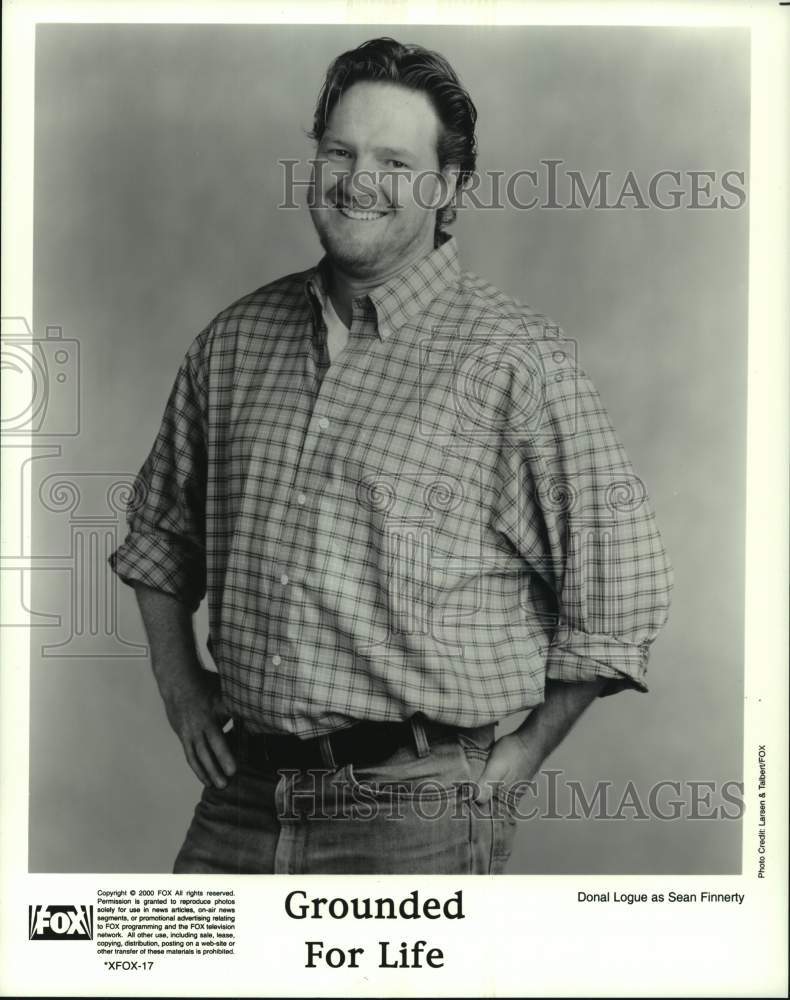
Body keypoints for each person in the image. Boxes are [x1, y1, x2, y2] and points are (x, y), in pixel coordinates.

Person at [109, 37, 673, 874]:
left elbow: (622, 587)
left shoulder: (515, 364)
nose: (357, 180)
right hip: (243, 800)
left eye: (394, 160)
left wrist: (521, 758)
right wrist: (180, 688)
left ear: (446, 188)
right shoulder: (234, 343)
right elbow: (157, 535)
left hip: (416, 814)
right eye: (339, 151)